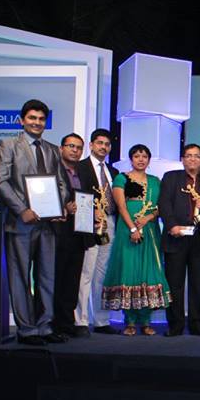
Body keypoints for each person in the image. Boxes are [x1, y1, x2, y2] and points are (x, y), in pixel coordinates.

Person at [0, 99, 72, 345]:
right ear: (22, 120)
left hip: (48, 224)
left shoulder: (52, 149)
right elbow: (1, 180)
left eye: (41, 119)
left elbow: (62, 183)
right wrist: (22, 210)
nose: (37, 123)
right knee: (20, 277)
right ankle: (27, 330)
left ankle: (45, 326)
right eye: (32, 118)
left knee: (47, 276)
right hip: (21, 223)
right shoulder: (8, 145)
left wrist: (60, 205)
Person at [100, 144, 170, 336]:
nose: (141, 159)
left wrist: (148, 218)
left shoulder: (155, 181)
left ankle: (146, 322)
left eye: (144, 156)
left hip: (150, 231)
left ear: (149, 160)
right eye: (137, 156)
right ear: (131, 159)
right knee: (129, 272)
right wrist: (133, 228)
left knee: (148, 273)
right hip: (128, 231)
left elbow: (161, 206)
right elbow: (121, 207)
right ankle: (129, 322)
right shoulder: (122, 179)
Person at [159, 143, 200, 337]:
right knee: (174, 284)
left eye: (196, 156)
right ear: (182, 159)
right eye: (188, 155)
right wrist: (172, 226)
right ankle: (175, 325)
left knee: (198, 284)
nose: (192, 159)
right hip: (176, 236)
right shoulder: (171, 177)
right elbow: (164, 203)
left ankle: (197, 324)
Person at [75, 128, 119, 335]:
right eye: (99, 143)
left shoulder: (113, 172)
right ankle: (81, 321)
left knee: (103, 273)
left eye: (107, 144)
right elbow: (76, 194)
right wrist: (92, 214)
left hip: (109, 223)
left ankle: (101, 321)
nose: (103, 147)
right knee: (86, 272)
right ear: (91, 145)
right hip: (87, 222)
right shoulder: (79, 167)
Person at [52, 133, 88, 337]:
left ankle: (67, 323)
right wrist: (62, 207)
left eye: (78, 147)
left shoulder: (83, 173)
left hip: (79, 233)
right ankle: (52, 324)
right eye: (71, 146)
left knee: (72, 281)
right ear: (61, 148)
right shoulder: (53, 171)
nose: (75, 150)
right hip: (57, 232)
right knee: (56, 278)